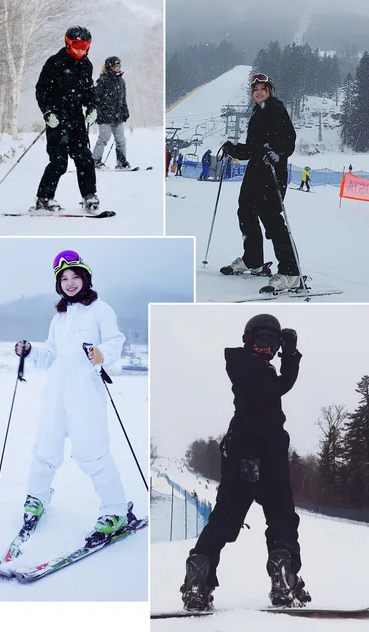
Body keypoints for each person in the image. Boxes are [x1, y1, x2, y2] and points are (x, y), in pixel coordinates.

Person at [180, 314, 311, 612]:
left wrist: (288, 355)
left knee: (229, 518)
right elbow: (278, 389)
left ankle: (199, 582)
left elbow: (280, 385)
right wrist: (289, 356)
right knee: (279, 519)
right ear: (249, 342)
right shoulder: (248, 367)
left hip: (254, 451)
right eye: (262, 343)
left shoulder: (251, 366)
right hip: (254, 452)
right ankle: (283, 576)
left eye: (272, 345)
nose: (267, 350)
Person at [15, 250, 129, 543]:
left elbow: (116, 341)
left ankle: (115, 510)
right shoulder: (60, 316)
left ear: (85, 279)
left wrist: (99, 353)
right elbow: (52, 353)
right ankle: (37, 497)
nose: (69, 283)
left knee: (92, 453)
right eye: (63, 278)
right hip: (55, 393)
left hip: (85, 394)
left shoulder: (101, 310)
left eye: (74, 277)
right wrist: (31, 352)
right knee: (45, 448)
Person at [220, 73, 300, 292]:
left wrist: (278, 152)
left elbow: (289, 139)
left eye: (263, 88)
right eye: (255, 89)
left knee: (272, 219)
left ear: (270, 91)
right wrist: (233, 149)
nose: (259, 92)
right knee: (245, 212)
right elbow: (252, 149)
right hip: (254, 172)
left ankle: (291, 272)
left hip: (272, 171)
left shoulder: (276, 108)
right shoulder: (257, 113)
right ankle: (253, 260)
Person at [34, 26, 99, 213]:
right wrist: (47, 112)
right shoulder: (55, 63)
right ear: (69, 43)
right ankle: (44, 198)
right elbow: (41, 90)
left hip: (76, 120)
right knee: (59, 162)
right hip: (57, 120)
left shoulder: (87, 65)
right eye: (78, 45)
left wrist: (92, 107)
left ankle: (89, 196)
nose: (82, 49)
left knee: (85, 158)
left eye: (86, 45)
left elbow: (88, 91)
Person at [92, 56, 130, 170]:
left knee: (121, 140)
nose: (118, 67)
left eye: (119, 65)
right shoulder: (103, 80)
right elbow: (95, 97)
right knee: (104, 138)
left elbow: (123, 99)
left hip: (117, 116)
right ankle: (95, 160)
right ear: (110, 67)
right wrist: (99, 108)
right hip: (105, 116)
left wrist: (125, 110)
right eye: (116, 65)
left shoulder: (121, 81)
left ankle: (121, 162)